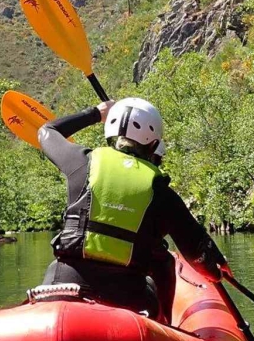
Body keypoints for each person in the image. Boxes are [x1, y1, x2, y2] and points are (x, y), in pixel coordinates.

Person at [35, 96, 225, 320]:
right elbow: (199, 254)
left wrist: (96, 112)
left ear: (110, 134)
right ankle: (165, 326)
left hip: (63, 285)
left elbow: (47, 131)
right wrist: (218, 271)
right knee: (164, 260)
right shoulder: (160, 189)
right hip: (126, 297)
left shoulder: (81, 161)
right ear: (154, 144)